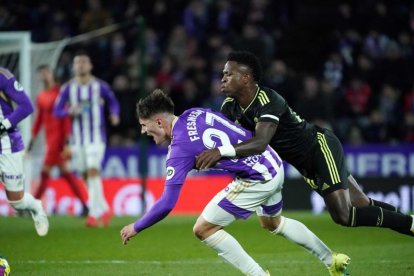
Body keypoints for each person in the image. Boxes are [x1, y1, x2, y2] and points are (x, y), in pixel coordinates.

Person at [120, 89, 350, 276]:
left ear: (159, 122)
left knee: (203, 229)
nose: (143, 130)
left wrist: (136, 226)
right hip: (272, 162)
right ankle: (333, 260)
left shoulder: (179, 148)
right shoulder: (194, 113)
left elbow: (168, 203)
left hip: (257, 178)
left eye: (144, 125)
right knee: (273, 223)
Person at [195, 51, 414, 236]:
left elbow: (260, 143)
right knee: (361, 204)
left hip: (319, 148)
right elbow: (231, 143)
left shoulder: (268, 100)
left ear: (246, 78)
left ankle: (410, 224)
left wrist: (219, 152)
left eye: (228, 73)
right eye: (223, 74)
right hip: (305, 165)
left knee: (343, 215)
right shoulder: (229, 107)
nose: (222, 78)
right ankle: (410, 223)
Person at [54, 51, 120, 227]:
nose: (81, 65)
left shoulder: (101, 86)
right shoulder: (68, 88)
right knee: (85, 175)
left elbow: (113, 102)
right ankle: (104, 209)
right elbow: (57, 110)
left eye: (84, 62)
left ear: (90, 66)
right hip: (77, 141)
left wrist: (114, 114)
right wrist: (69, 111)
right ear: (74, 67)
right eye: (78, 62)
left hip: (96, 138)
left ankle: (93, 214)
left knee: (92, 171)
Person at [27, 65, 88, 215]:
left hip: (59, 141)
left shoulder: (60, 93)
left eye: (46, 72)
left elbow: (66, 118)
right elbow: (39, 121)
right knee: (66, 174)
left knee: (44, 173)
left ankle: (32, 207)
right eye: (41, 73)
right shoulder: (41, 96)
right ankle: (85, 206)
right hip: (50, 139)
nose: (44, 75)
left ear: (52, 74)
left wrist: (67, 141)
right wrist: (31, 140)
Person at [0, 67, 49, 236]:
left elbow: (26, 106)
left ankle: (36, 207)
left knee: (17, 201)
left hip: (7, 144)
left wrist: (3, 125)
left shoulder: (3, 76)